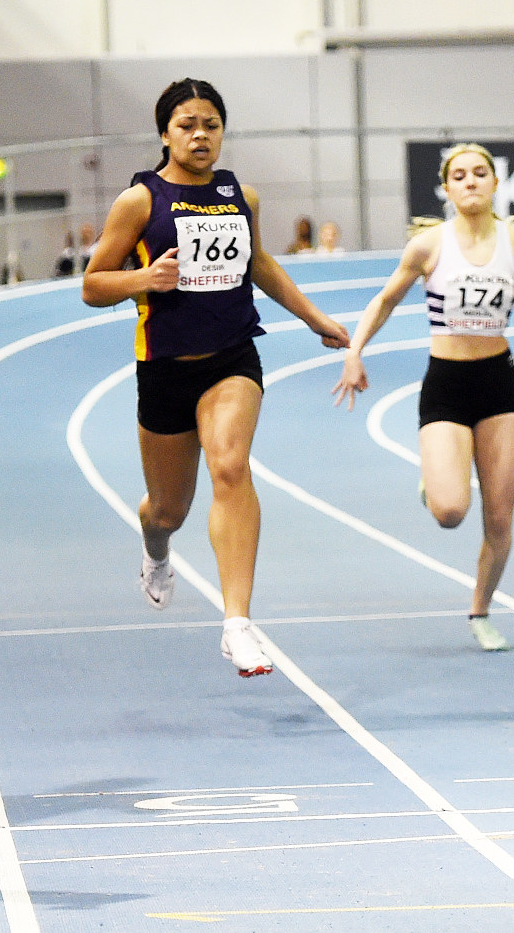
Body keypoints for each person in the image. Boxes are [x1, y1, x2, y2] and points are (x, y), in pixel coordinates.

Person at [83, 78, 350, 676]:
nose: (200, 136)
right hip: (164, 369)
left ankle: (237, 624)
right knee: (167, 509)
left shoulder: (240, 196)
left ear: (223, 131)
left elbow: (257, 263)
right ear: (165, 134)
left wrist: (314, 318)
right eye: (187, 125)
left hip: (232, 358)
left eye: (211, 125)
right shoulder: (140, 201)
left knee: (230, 465)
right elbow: (92, 285)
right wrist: (143, 281)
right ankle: (156, 549)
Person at [333, 143, 514, 650]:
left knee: (500, 517)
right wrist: (354, 351)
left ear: (494, 183)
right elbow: (385, 300)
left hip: (499, 384)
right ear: (446, 189)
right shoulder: (429, 246)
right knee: (449, 512)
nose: (469, 182)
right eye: (458, 175)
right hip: (446, 382)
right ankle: (437, 475)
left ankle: (480, 611)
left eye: (479, 173)